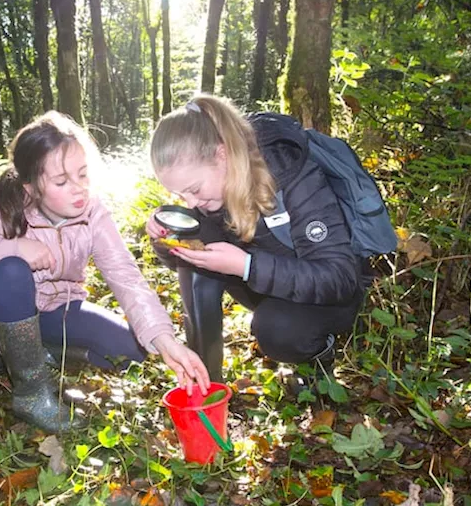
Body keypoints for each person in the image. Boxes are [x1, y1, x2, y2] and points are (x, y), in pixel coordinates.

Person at [0, 111, 210, 433]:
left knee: (132, 353)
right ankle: (30, 392)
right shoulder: (0, 204)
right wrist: (10, 249)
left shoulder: (93, 214)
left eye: (83, 175)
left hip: (59, 309)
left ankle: (39, 353)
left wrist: (166, 340)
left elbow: (125, 276)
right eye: (61, 181)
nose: (78, 189)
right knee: (12, 271)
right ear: (30, 186)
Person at [146, 94, 368, 384]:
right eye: (180, 195)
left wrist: (247, 266)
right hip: (272, 279)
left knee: (278, 331)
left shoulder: (293, 178)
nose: (190, 203)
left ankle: (320, 362)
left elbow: (338, 278)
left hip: (331, 295)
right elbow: (191, 254)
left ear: (221, 154)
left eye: (194, 189)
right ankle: (207, 383)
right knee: (198, 259)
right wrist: (168, 240)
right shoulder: (213, 192)